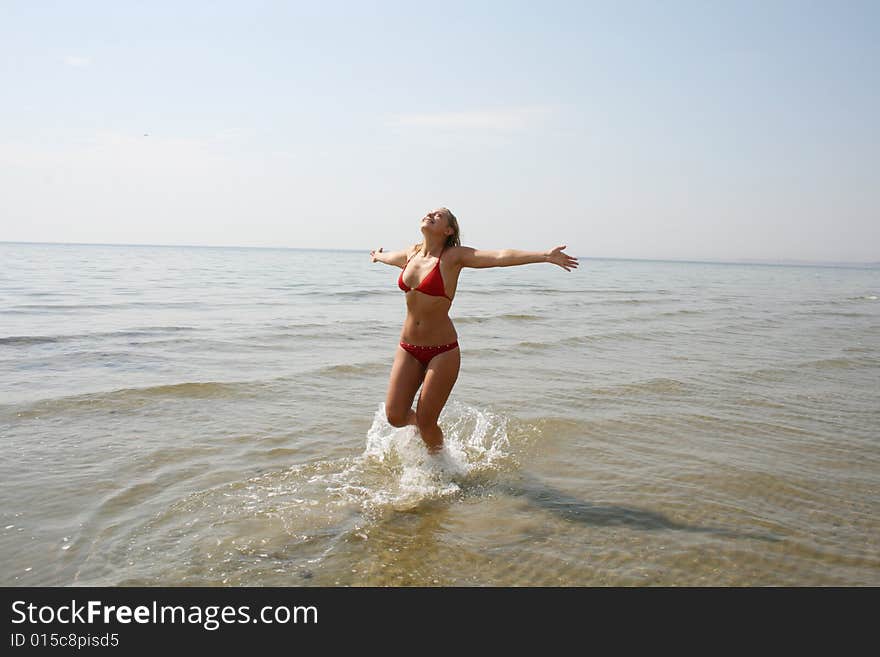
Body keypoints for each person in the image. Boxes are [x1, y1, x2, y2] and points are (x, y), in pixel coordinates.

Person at [370, 207, 578, 454]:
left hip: (442, 351)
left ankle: (440, 463)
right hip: (408, 347)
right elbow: (388, 257)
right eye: (430, 212)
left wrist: (544, 255)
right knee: (395, 416)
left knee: (428, 421)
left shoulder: (453, 257)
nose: (431, 214)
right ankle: (422, 433)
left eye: (439, 215)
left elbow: (500, 256)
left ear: (448, 230)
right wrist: (378, 256)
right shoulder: (410, 254)